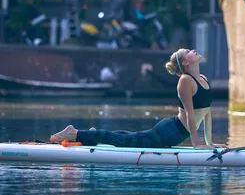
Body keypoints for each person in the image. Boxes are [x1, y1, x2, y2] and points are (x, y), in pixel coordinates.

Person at [50, 49, 228, 150]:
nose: (193, 50)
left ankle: (92, 134)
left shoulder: (203, 78)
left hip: (177, 132)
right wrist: (197, 145)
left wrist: (209, 143)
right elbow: (190, 115)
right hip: (171, 131)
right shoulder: (185, 81)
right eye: (188, 52)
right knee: (126, 142)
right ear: (186, 64)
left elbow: (206, 114)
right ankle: (74, 133)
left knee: (131, 137)